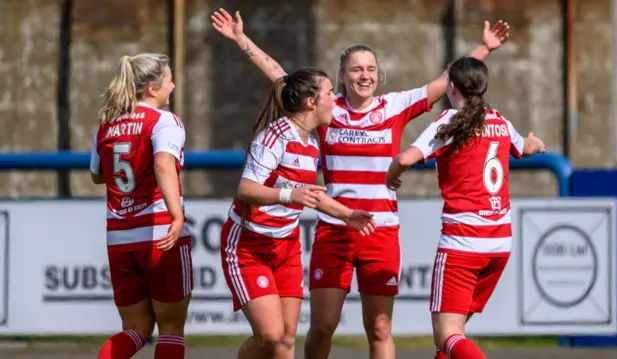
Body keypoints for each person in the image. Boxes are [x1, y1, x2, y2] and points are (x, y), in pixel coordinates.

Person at [211, 8, 510, 359]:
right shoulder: (326, 107)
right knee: (322, 325)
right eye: (356, 69)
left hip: (380, 230)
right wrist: (240, 38)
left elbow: (449, 79)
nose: (364, 75)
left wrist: (484, 48)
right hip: (334, 228)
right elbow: (281, 76)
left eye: (370, 68)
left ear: (378, 75)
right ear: (341, 76)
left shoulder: (395, 106)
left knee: (380, 328)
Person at [385, 56, 546, 359]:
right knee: (451, 339)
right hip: (498, 244)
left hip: (464, 243)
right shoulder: (498, 119)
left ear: (452, 87)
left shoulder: (449, 121)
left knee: (447, 334)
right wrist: (537, 143)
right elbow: (525, 147)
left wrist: (391, 175)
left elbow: (405, 159)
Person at [220, 67, 377, 359]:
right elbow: (246, 189)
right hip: (248, 245)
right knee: (270, 335)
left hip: (287, 246)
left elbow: (310, 195)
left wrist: (346, 214)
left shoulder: (311, 143)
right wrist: (288, 194)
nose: (335, 99)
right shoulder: (275, 137)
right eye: (330, 93)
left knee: (287, 339)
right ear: (310, 101)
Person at [90, 53, 192, 359]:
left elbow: (97, 175)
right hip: (159, 233)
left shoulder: (106, 123)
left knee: (135, 328)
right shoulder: (164, 121)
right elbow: (163, 164)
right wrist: (177, 215)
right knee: (171, 329)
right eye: (169, 79)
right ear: (150, 87)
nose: (172, 86)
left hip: (120, 237)